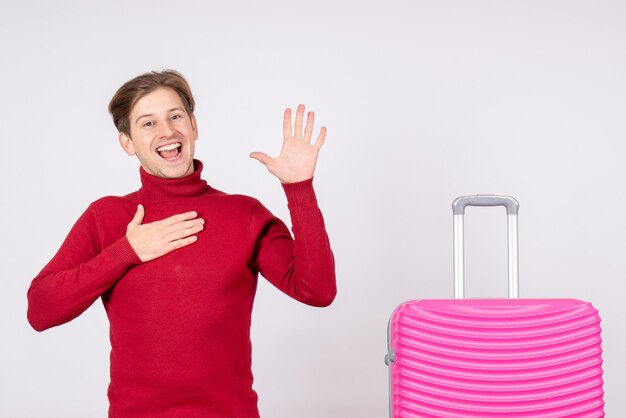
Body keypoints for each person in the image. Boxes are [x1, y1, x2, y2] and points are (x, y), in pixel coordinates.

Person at [26, 70, 336, 418]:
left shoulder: (243, 214)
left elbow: (317, 291)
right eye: (148, 123)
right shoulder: (106, 217)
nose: (167, 132)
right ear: (127, 142)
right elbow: (40, 310)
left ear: (193, 125)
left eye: (175, 117)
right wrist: (127, 252)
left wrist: (299, 188)